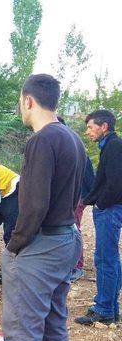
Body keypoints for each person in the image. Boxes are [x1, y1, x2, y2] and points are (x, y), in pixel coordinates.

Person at [2, 74, 85, 341]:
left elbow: (35, 205)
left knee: (23, 332)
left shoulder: (43, 139)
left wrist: (14, 246)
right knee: (53, 326)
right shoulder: (72, 137)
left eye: (20, 102)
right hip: (67, 239)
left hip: (43, 245)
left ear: (28, 100)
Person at [75, 110, 122, 325]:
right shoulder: (110, 146)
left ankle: (104, 309)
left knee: (105, 259)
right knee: (109, 259)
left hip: (110, 210)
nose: (87, 132)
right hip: (110, 208)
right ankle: (110, 307)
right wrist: (89, 200)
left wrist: (101, 204)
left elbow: (115, 184)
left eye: (91, 127)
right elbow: (102, 182)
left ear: (104, 127)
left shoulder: (113, 146)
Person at [58, 116, 95, 282]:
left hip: (78, 196)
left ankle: (77, 266)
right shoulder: (65, 146)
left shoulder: (74, 147)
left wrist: (86, 198)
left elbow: (89, 178)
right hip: (69, 196)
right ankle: (68, 264)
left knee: (74, 229)